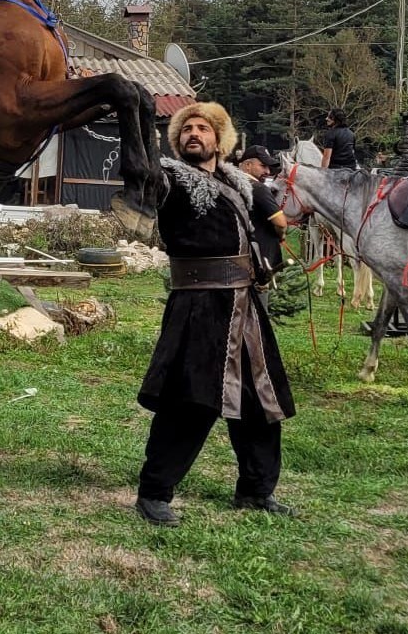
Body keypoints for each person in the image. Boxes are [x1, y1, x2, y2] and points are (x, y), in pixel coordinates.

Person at [134, 103, 296, 527]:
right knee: (189, 401)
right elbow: (144, 175)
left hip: (246, 306)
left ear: (219, 139)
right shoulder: (169, 178)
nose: (193, 133)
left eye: (203, 128)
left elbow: (272, 217)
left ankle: (256, 490)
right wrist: (131, 118)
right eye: (186, 128)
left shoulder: (237, 182)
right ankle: (154, 492)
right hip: (199, 306)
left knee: (261, 401)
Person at [237, 144, 288, 283]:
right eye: (263, 166)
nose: (267, 171)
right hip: (259, 260)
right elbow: (281, 223)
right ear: (247, 165)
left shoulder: (230, 185)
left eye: (269, 167)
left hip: (237, 258)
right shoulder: (258, 188)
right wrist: (281, 235)